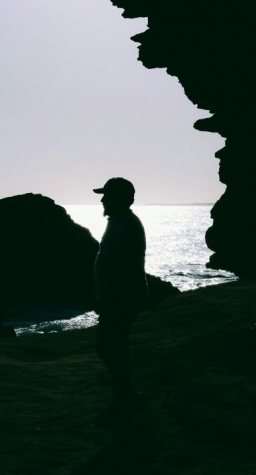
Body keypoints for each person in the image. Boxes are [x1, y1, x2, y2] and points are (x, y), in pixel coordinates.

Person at [92, 177, 149, 425]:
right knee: (113, 347)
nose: (102, 200)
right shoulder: (119, 221)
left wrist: (108, 296)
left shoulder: (125, 223)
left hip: (121, 297)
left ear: (120, 199)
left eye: (107, 195)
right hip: (120, 296)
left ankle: (125, 400)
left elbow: (121, 263)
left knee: (110, 346)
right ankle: (125, 398)